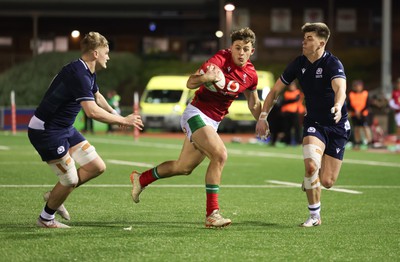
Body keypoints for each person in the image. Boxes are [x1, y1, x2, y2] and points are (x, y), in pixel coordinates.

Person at [130, 27, 261, 228]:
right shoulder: (218, 60)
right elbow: (191, 82)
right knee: (220, 155)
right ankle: (212, 214)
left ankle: (141, 178)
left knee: (183, 167)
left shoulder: (251, 74)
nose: (241, 52)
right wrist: (206, 78)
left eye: (245, 49)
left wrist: (263, 119)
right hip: (196, 114)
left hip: (213, 122)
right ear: (231, 47)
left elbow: (253, 102)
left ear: (252, 51)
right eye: (237, 48)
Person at [28, 32, 143, 228]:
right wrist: (121, 119)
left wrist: (115, 114)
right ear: (95, 53)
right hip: (47, 131)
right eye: (106, 52)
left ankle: (55, 196)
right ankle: (46, 218)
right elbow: (91, 112)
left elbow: (97, 97)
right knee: (70, 178)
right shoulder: (79, 74)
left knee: (96, 167)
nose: (109, 56)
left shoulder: (87, 71)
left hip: (64, 128)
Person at [256, 22, 351, 227]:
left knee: (327, 182)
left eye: (309, 38)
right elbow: (274, 91)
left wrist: (338, 105)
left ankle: (314, 176)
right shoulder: (298, 63)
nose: (304, 41)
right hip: (314, 123)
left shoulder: (332, 64)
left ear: (321, 43)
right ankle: (315, 216)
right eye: (304, 37)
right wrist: (263, 116)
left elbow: (340, 88)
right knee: (309, 167)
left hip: (337, 125)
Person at [347, 80, 372, 149]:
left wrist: (360, 112)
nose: (357, 87)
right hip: (354, 114)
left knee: (365, 127)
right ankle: (357, 143)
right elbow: (349, 105)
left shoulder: (365, 93)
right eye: (356, 86)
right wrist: (355, 111)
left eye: (359, 86)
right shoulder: (351, 94)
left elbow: (367, 104)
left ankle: (369, 142)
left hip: (363, 114)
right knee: (356, 128)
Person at [280, 81, 302, 145]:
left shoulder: (297, 92)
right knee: (287, 128)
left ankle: (298, 141)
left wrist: (288, 101)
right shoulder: (286, 93)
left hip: (295, 112)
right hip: (286, 112)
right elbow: (283, 101)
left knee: (297, 128)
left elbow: (296, 99)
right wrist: (290, 100)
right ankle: (287, 142)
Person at [389, 77, 400, 150]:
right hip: (398, 113)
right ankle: (398, 143)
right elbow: (391, 102)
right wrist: (397, 107)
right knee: (398, 128)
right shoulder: (395, 92)